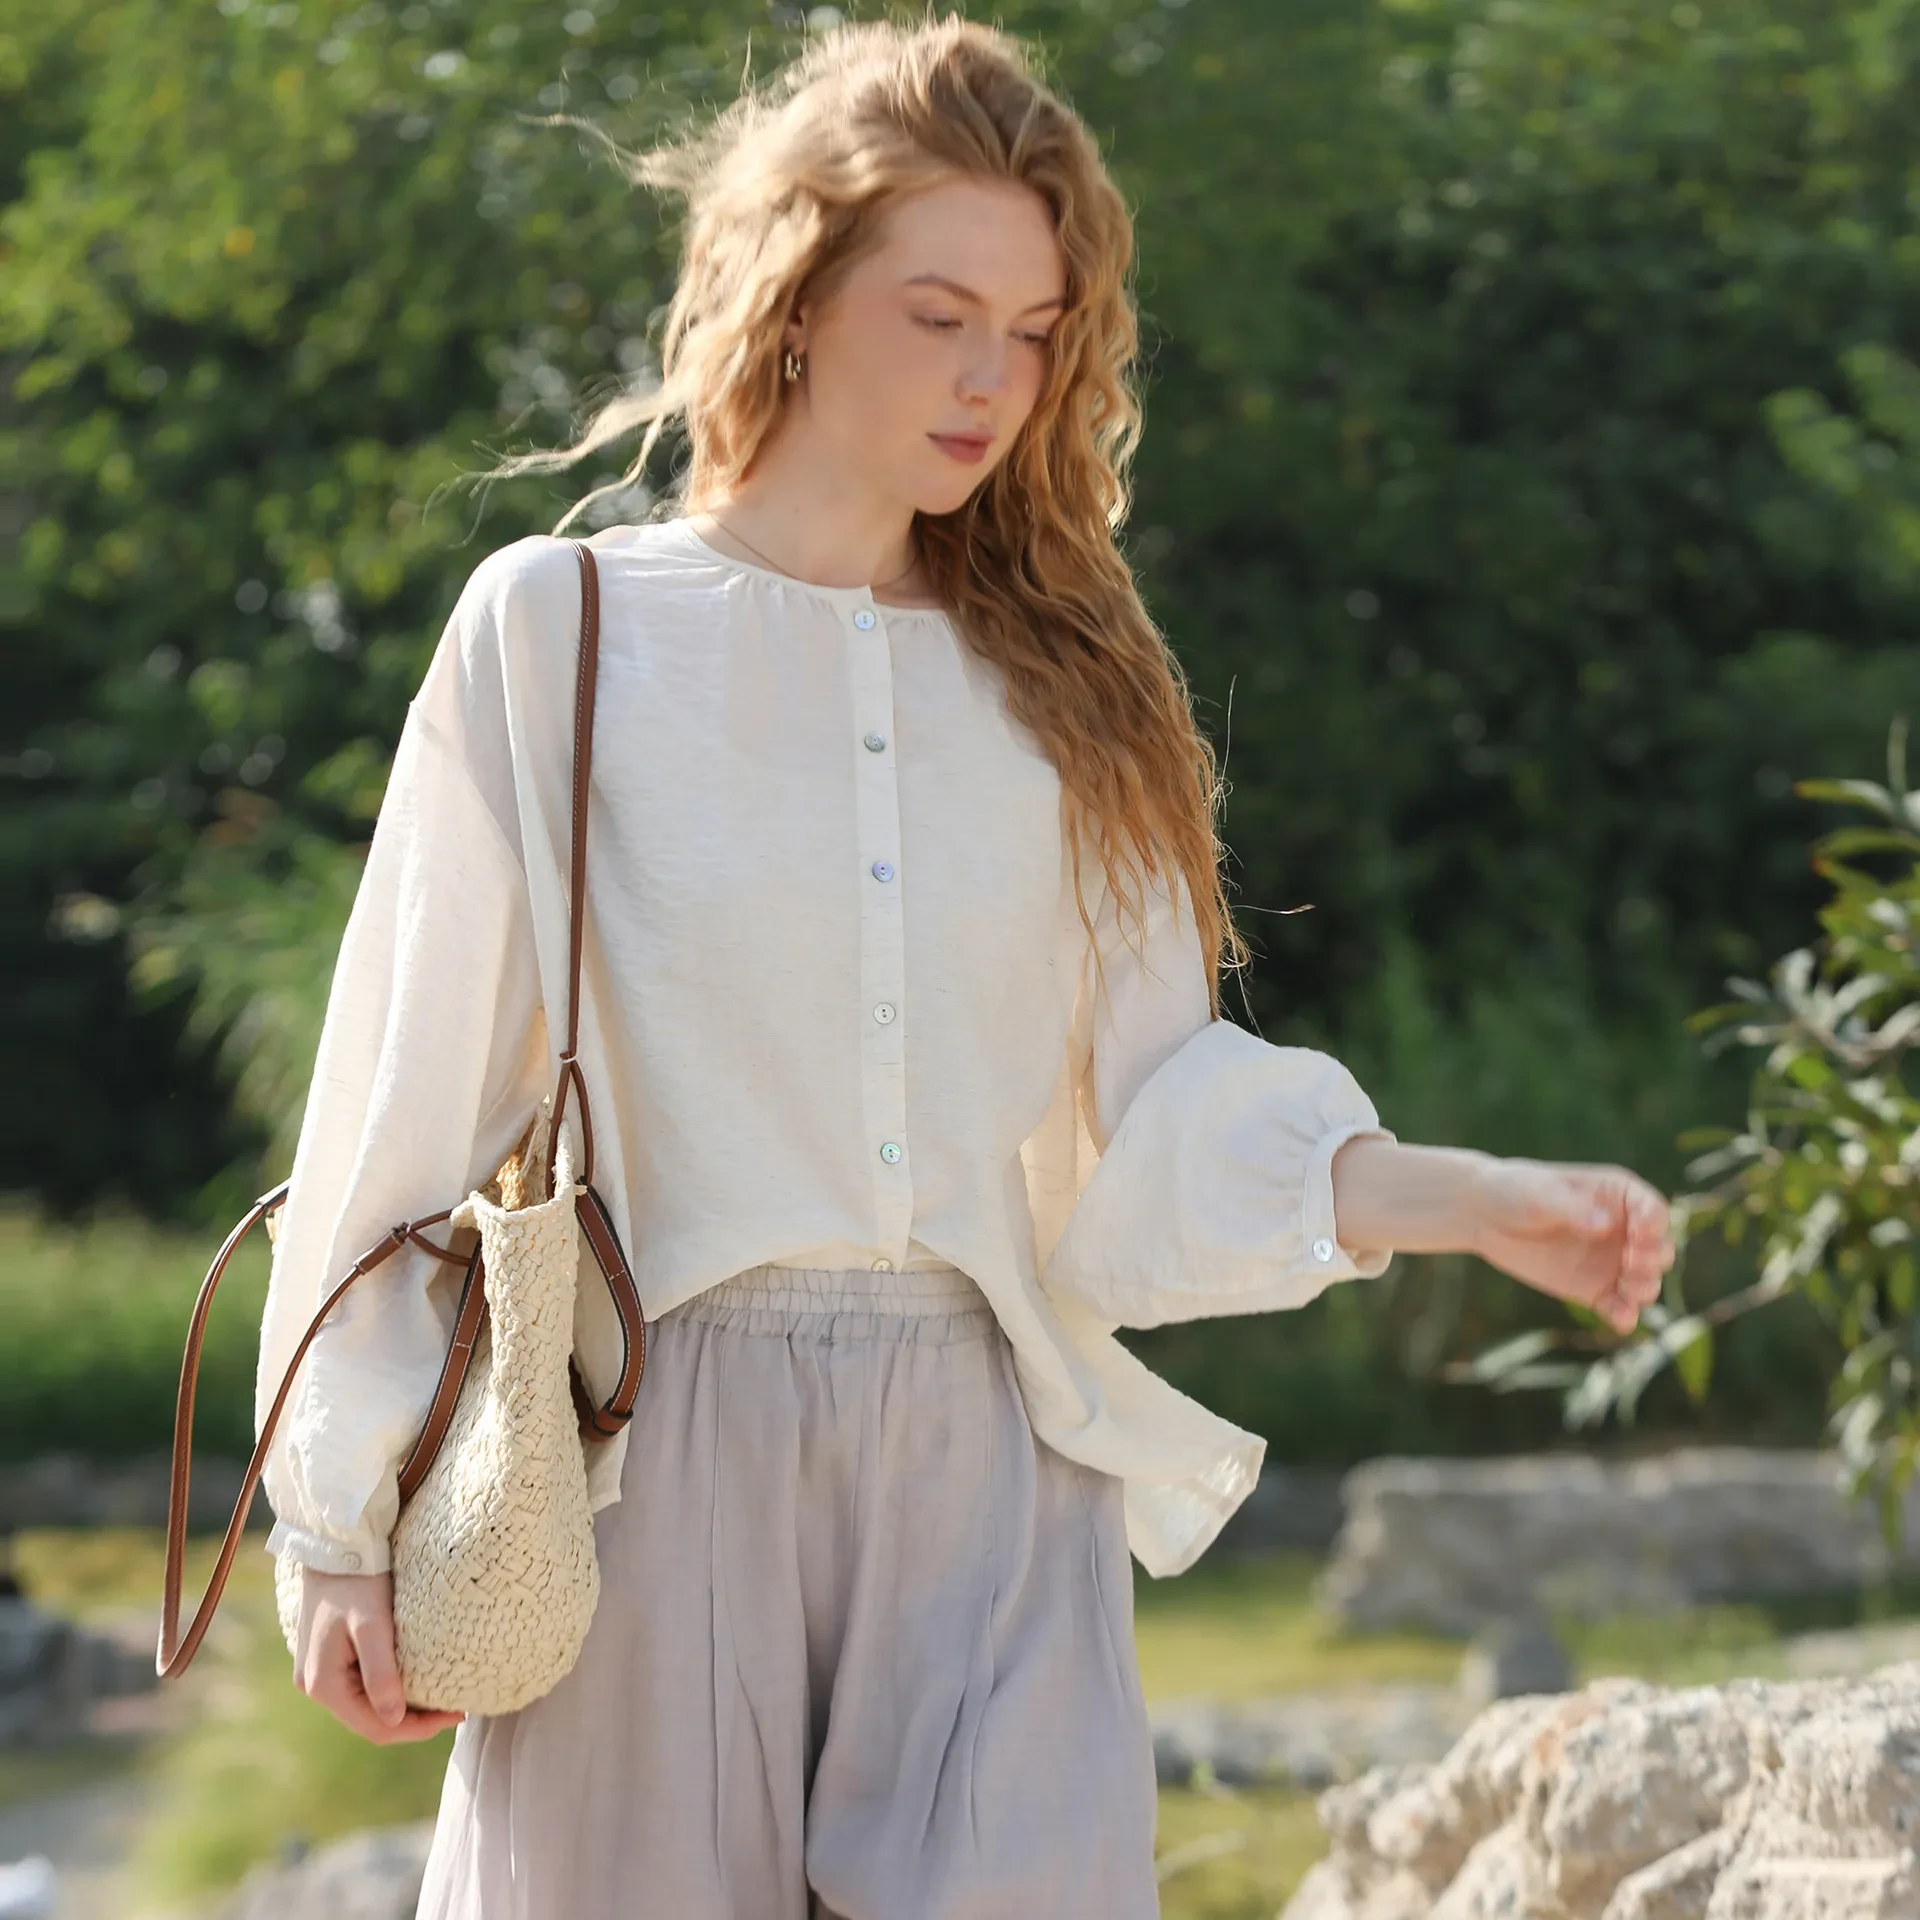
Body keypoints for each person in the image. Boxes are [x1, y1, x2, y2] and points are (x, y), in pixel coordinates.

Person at [258, 16, 1674, 1917]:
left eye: (1032, 330)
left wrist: (1476, 1202)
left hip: (992, 1466)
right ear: (795, 297)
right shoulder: (564, 630)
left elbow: (1161, 1118)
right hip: (652, 1457)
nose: (991, 380)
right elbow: (402, 1091)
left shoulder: (1078, 678)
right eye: (938, 316)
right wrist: (338, 1513)